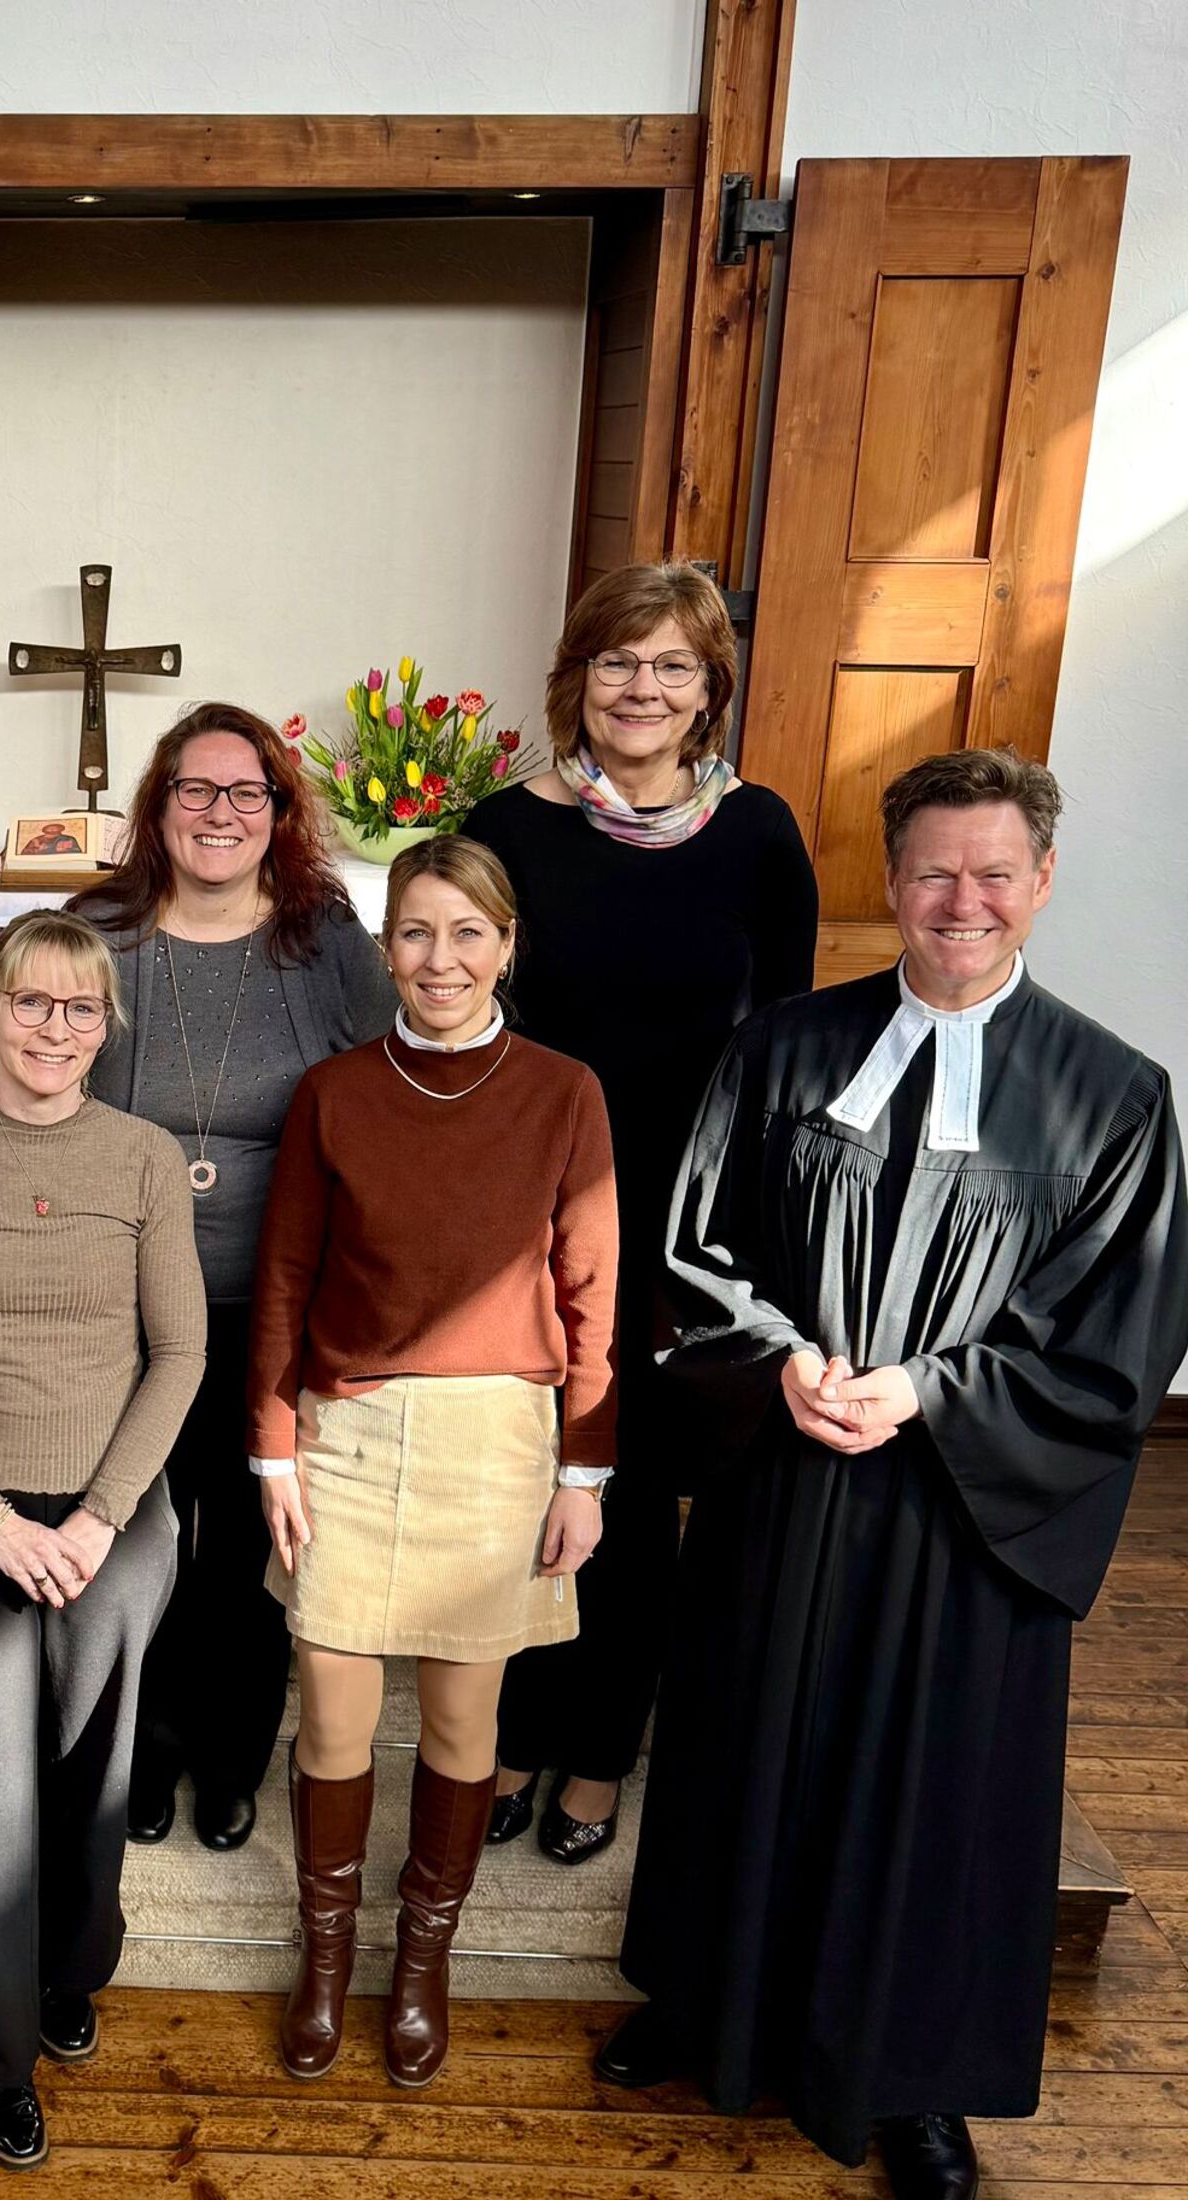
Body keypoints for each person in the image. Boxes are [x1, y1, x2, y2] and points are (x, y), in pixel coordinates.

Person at [599, 749, 1188, 2200]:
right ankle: (704, 2009)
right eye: (935, 871)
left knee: (937, 1787)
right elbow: (690, 1254)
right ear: (892, 880)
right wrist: (781, 1359)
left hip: (962, 1513)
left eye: (995, 872)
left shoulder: (1116, 1097)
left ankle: (912, 2078)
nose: (963, 900)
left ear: (1041, 882)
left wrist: (930, 1391)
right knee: (746, 1732)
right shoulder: (785, 1050)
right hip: (785, 1484)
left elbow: (1120, 1336)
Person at [463, 561, 816, 1864]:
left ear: (710, 687)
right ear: (580, 676)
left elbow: (785, 1041)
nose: (643, 687)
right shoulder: (506, 826)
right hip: (527, 1203)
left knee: (639, 1486)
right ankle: (504, 1732)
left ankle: (602, 1752)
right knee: (522, 1484)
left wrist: (760, 1234)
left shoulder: (759, 831)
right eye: (619, 661)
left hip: (686, 1217)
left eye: (673, 665)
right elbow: (463, 1021)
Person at [250, 835, 617, 2088]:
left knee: (464, 1723)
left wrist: (585, 1469)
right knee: (333, 1719)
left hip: (495, 1440)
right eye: (416, 931)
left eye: (468, 932)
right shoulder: (334, 1090)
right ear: (384, 948)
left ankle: (421, 1962)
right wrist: (272, 1450)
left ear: (507, 945)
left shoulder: (565, 1090)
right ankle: (323, 1957)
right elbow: (286, 1276)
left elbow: (589, 1289)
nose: (440, 958)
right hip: (346, 1432)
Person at [0, 910, 206, 2170]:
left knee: (87, 1775)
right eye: (32, 1003)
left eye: (79, 1009)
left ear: (103, 1026)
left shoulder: (141, 1158)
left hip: (114, 1519)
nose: (53, 1029)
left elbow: (179, 1351)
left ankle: (66, 1971)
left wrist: (104, 1515)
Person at [74, 702, 397, 1853]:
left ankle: (231, 1757)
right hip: (122, 1308)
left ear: (278, 813)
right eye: (194, 791)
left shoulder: (327, 947)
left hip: (275, 1308)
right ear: (158, 810)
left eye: (244, 792)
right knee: (140, 1537)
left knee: (254, 1542)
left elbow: (394, 1100)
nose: (219, 812)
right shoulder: (99, 935)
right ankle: (146, 1750)